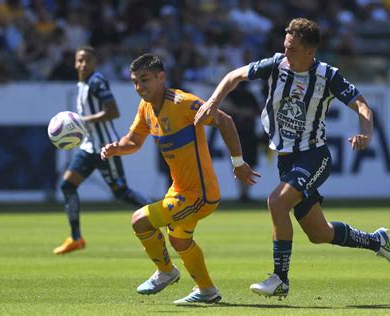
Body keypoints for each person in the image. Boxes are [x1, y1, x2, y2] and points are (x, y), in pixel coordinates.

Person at [195, 18, 390, 298]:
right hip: (286, 160)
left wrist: (365, 131)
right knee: (319, 233)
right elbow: (233, 76)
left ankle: (280, 279)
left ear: (310, 53)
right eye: (285, 46)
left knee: (277, 202)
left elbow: (363, 105)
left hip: (314, 156)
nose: (286, 53)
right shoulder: (276, 64)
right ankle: (378, 241)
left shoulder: (328, 76)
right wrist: (213, 102)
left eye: (292, 49)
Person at [101, 53, 259, 304]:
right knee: (179, 239)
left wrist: (238, 162)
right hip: (179, 190)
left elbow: (225, 120)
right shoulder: (146, 108)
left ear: (161, 77)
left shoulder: (183, 103)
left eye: (145, 80)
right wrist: (114, 148)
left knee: (140, 220)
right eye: (135, 82)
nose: (139, 87)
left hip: (200, 193)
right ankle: (207, 291)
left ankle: (166, 272)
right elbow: (132, 141)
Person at [53, 46, 150, 255]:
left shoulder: (96, 82)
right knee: (67, 186)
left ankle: (163, 216)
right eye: (80, 60)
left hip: (106, 147)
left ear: (95, 63)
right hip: (88, 147)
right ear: (74, 62)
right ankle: (76, 238)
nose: (83, 64)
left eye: (88, 60)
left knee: (121, 193)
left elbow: (113, 112)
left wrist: (80, 121)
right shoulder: (82, 84)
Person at [221, 81, 262, 202]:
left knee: (251, 163)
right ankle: (242, 193)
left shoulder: (250, 95)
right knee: (238, 163)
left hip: (250, 134)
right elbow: (223, 107)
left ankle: (246, 193)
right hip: (237, 135)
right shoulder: (231, 95)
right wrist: (241, 111)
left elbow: (257, 111)